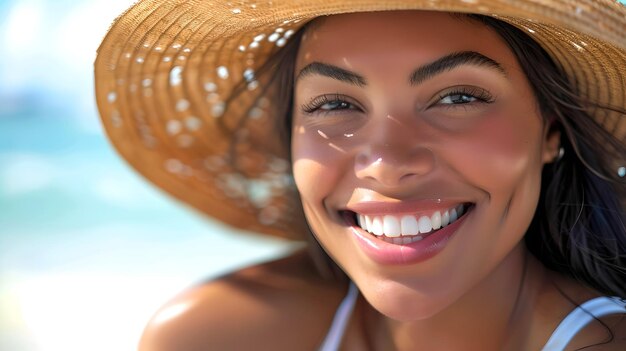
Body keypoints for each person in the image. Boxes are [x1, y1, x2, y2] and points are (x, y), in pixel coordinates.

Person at [94, 1, 626, 350]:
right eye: (334, 104)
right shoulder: (217, 335)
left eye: (458, 97)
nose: (388, 162)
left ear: (551, 133)